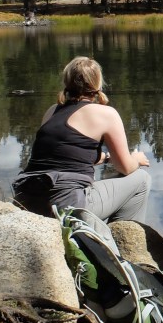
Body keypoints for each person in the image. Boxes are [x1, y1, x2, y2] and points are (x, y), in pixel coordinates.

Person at [13, 56, 151, 222]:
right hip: (66, 204)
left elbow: (63, 155)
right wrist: (136, 159)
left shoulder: (52, 111)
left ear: (67, 81)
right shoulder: (106, 114)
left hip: (27, 200)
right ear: (97, 83)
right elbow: (125, 167)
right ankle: (119, 241)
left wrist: (106, 158)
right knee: (141, 180)